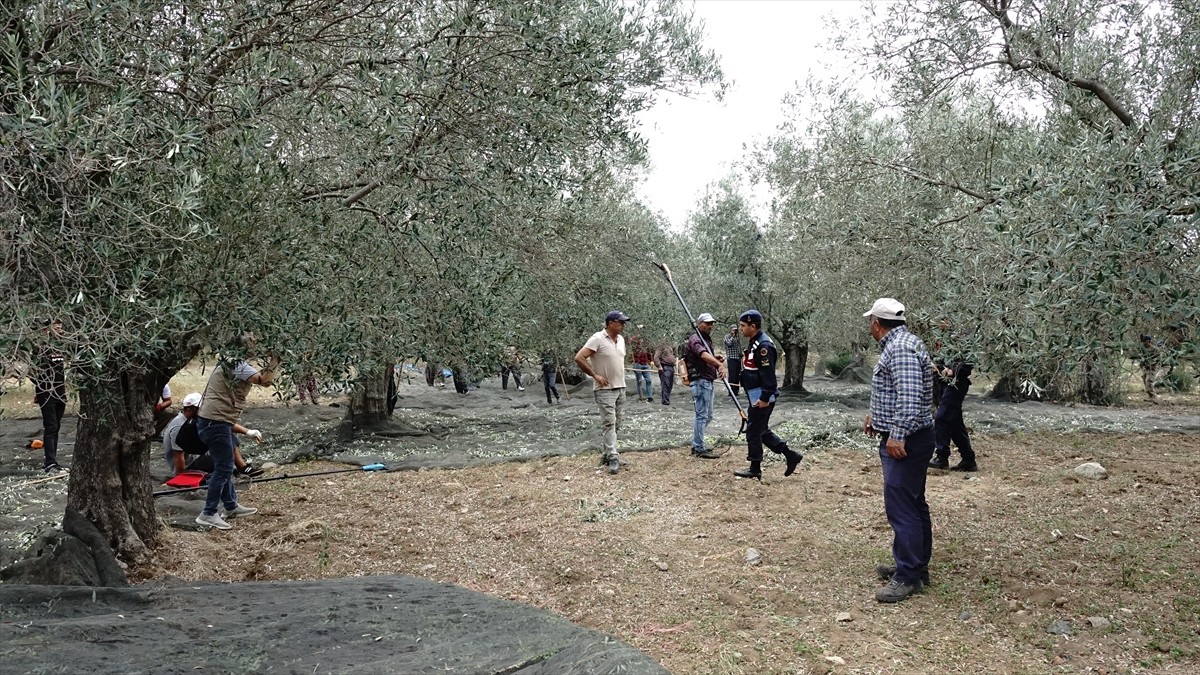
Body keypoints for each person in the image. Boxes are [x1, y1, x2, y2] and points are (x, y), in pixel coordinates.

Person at [861, 298, 935, 603]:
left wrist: (897, 435)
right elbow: (895, 390)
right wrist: (876, 417)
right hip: (913, 435)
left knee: (901, 506)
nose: (869, 326)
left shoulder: (900, 349)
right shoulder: (909, 342)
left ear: (878, 323)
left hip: (908, 440)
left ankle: (907, 577)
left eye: (870, 322)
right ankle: (915, 566)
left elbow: (910, 396)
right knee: (914, 502)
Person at [194, 333, 278, 530]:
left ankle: (230, 506)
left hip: (215, 422)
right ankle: (208, 513)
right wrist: (275, 359)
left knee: (224, 466)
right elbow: (263, 380)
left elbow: (262, 380)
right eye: (252, 341)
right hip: (216, 423)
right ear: (244, 345)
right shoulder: (235, 363)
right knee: (223, 468)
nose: (255, 344)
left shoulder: (230, 361)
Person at [733, 310, 802, 479]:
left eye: (743, 326)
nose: (740, 329)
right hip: (754, 395)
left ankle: (755, 468)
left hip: (761, 397)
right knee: (761, 430)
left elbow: (769, 377)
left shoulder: (764, 347)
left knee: (753, 432)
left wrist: (764, 399)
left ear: (753, 326)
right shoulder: (754, 342)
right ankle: (790, 454)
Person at [574, 310, 629, 475]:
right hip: (604, 389)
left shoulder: (621, 339)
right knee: (609, 423)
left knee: (617, 422)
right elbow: (579, 357)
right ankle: (613, 457)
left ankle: (607, 453)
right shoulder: (597, 338)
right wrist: (595, 375)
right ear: (611, 323)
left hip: (620, 386)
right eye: (620, 322)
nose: (623, 325)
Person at [162, 392, 263, 477]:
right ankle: (240, 467)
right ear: (189, 409)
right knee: (224, 450)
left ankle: (239, 467)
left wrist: (247, 432)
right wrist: (182, 476)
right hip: (189, 464)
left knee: (224, 433)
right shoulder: (179, 427)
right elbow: (178, 456)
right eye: (200, 409)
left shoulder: (193, 419)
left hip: (197, 453)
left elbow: (219, 423)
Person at [684, 313, 726, 459]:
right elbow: (702, 355)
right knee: (702, 415)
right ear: (699, 323)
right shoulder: (695, 339)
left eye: (712, 323)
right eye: (707, 323)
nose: (710, 326)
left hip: (707, 380)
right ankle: (698, 447)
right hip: (700, 381)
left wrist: (715, 358)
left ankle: (697, 443)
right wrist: (718, 363)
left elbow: (706, 356)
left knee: (708, 415)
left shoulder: (706, 339)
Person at [929, 355, 976, 472]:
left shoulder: (962, 339)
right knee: (955, 422)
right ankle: (968, 459)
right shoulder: (938, 340)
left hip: (957, 383)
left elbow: (969, 359)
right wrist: (937, 367)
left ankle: (942, 457)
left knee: (942, 417)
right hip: (942, 382)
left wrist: (953, 370)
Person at [32, 319, 68, 474]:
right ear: (47, 330)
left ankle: (53, 462)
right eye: (57, 328)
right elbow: (32, 372)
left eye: (61, 327)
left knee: (57, 427)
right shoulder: (40, 349)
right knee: (51, 426)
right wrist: (42, 387)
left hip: (61, 393)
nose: (60, 330)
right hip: (47, 394)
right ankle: (49, 463)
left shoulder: (61, 347)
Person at [1138, 334, 1168, 401]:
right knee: (1145, 378)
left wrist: (1151, 363)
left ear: (1148, 341)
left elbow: (1158, 358)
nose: (1143, 342)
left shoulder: (1154, 349)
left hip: (1153, 366)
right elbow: (1141, 356)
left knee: (1149, 380)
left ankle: (1153, 396)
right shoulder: (1142, 348)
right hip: (1145, 367)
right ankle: (1150, 395)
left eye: (1145, 341)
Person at [629, 330, 654, 402]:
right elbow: (629, 346)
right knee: (639, 381)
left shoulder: (646, 341)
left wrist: (651, 360)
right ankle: (641, 397)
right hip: (638, 363)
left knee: (648, 380)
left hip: (646, 364)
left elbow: (649, 351)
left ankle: (650, 397)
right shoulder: (634, 340)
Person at [654, 341, 677, 405]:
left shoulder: (669, 348)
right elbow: (656, 357)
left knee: (670, 385)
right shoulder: (660, 347)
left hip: (671, 367)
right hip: (665, 367)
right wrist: (659, 366)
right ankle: (665, 401)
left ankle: (667, 399)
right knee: (665, 384)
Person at [723, 325, 742, 396]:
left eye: (736, 330)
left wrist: (741, 353)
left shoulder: (738, 338)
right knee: (732, 376)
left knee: (737, 376)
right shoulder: (727, 337)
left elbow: (738, 348)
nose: (735, 331)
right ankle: (731, 391)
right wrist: (733, 336)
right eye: (733, 330)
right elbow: (729, 344)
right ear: (730, 330)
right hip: (731, 359)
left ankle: (736, 391)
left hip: (738, 359)